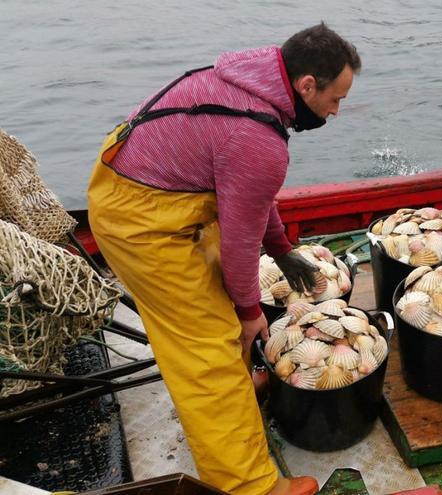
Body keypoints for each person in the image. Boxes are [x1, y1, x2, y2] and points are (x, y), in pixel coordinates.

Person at [87, 23, 361, 495]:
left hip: (154, 192)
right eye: (335, 99)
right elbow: (238, 241)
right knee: (206, 344)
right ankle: (250, 484)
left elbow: (251, 198)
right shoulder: (257, 138)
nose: (336, 111)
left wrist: (281, 250)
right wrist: (250, 312)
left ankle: (236, 392)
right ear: (306, 85)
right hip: (140, 222)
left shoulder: (251, 83)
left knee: (221, 296)